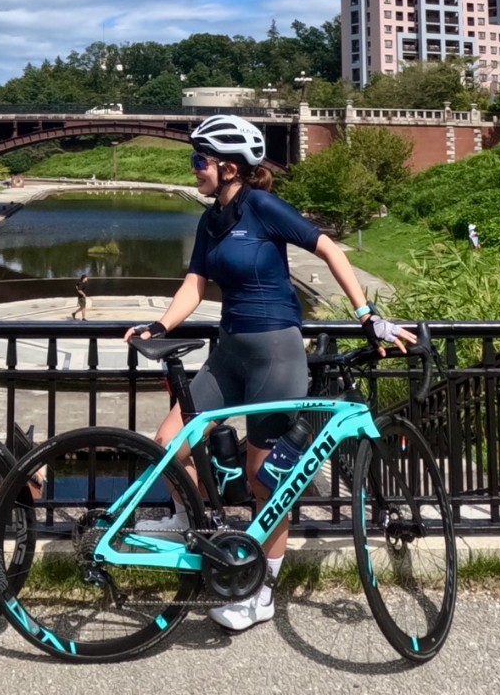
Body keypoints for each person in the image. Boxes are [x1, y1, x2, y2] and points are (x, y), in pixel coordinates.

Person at [125, 114, 417, 633]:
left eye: (200, 161)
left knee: (267, 481)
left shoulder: (261, 206)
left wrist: (366, 314)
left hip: (276, 354)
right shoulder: (210, 219)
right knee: (172, 443)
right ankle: (190, 525)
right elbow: (195, 285)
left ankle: (260, 589)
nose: (194, 169)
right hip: (229, 353)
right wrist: (157, 324)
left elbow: (326, 247)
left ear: (230, 167)